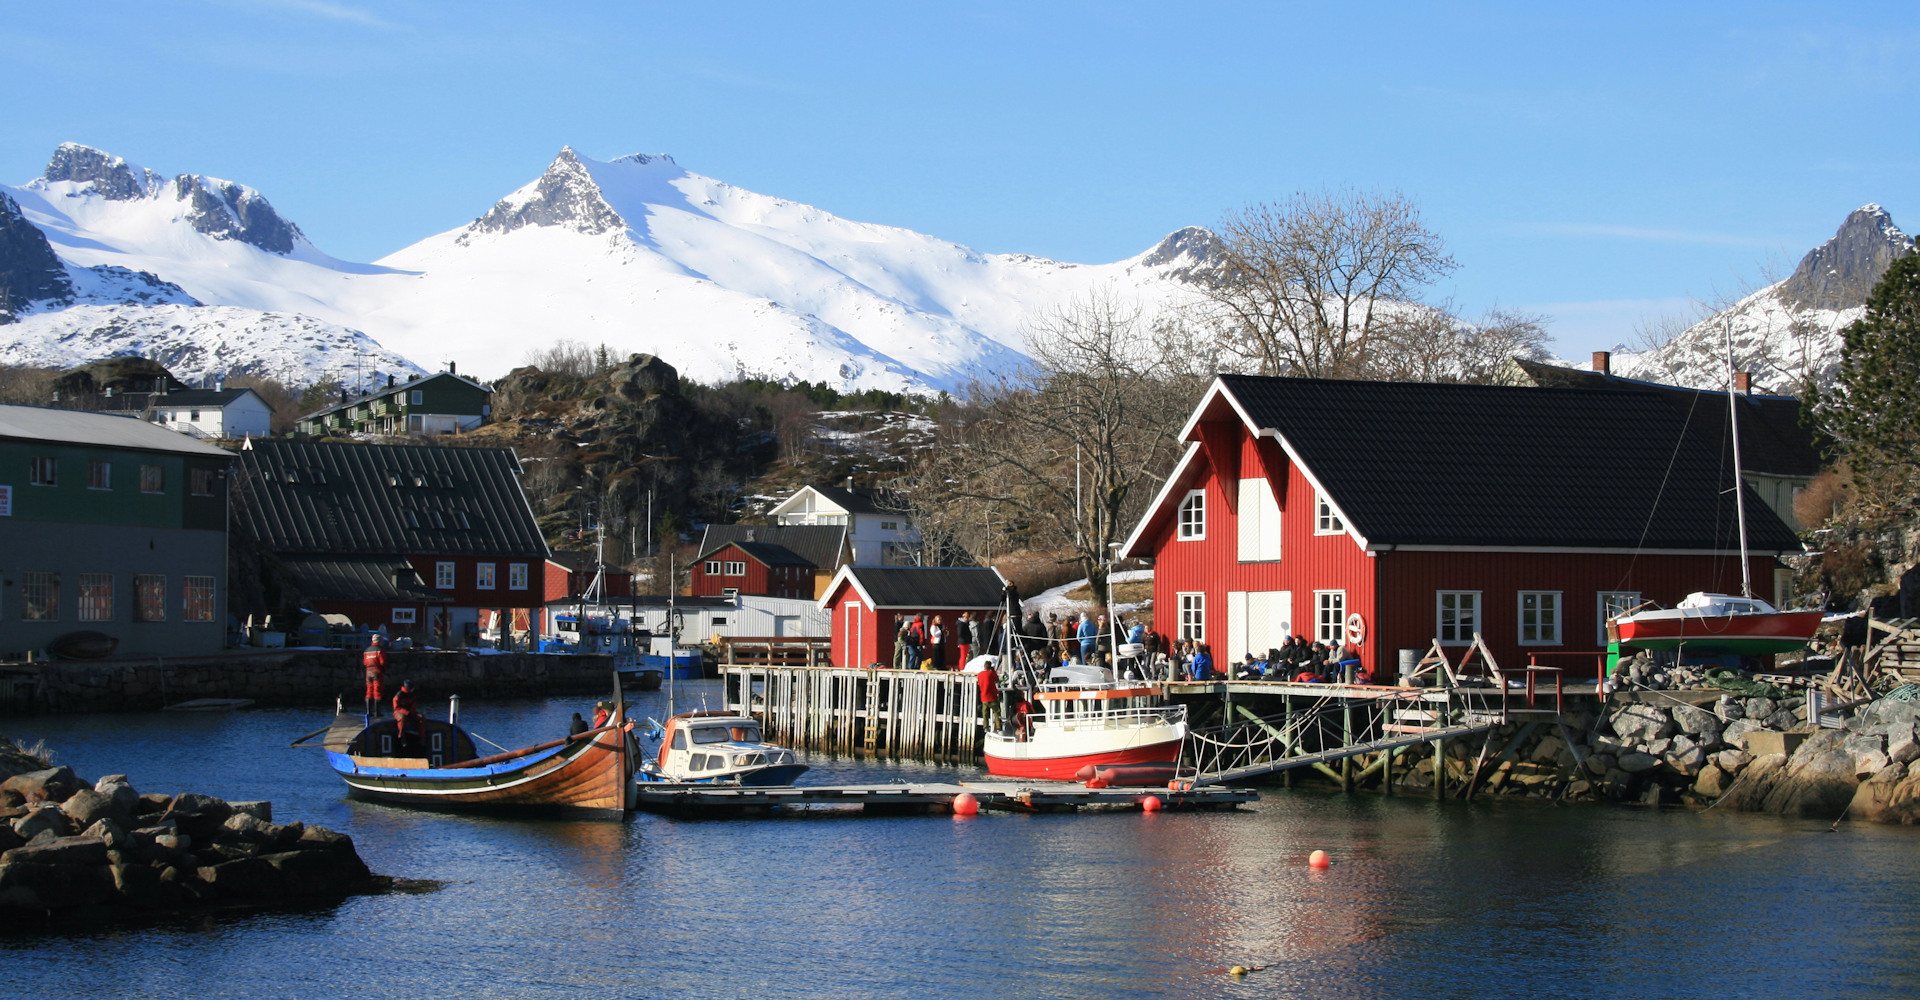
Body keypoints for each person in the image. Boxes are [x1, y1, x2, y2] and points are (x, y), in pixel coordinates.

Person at [362, 634, 388, 721]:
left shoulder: (366, 650)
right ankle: (377, 712)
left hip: (368, 672)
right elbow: (383, 662)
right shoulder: (380, 650)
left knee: (369, 691)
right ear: (379, 641)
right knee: (377, 691)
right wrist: (384, 671)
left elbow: (365, 662)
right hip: (377, 671)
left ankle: (368, 712)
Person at [392, 680, 422, 749]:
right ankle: (401, 736)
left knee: (421, 718)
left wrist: (412, 713)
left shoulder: (412, 696)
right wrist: (407, 712)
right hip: (398, 712)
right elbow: (396, 708)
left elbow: (413, 706)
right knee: (402, 719)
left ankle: (422, 737)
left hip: (410, 712)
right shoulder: (398, 695)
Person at [977, 660, 1002, 732]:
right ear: (990, 666)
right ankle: (998, 727)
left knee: (985, 713)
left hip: (983, 697)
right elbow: (997, 680)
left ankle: (985, 727)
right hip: (992, 697)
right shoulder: (990, 673)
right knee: (996, 712)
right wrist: (993, 671)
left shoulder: (980, 674)